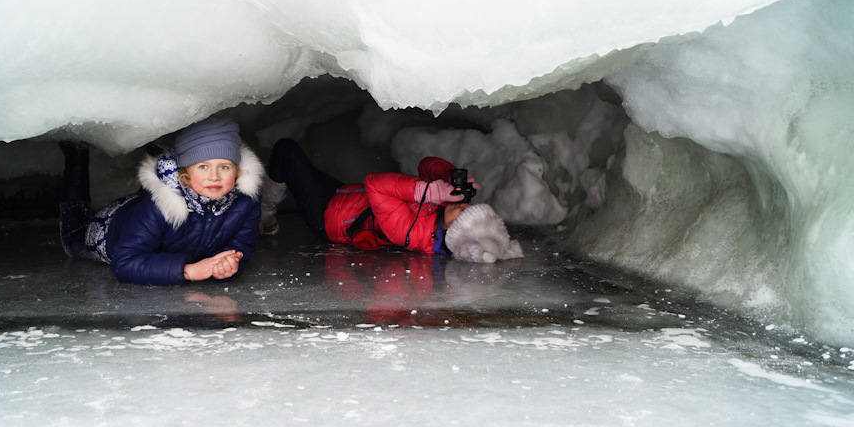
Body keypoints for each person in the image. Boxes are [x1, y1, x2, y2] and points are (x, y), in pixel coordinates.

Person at [59, 116, 263, 285]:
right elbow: (126, 263)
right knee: (73, 237)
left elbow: (240, 246)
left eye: (224, 167)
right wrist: (187, 271)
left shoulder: (245, 202)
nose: (215, 176)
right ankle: (76, 153)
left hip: (156, 212)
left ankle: (157, 151)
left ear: (237, 171)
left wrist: (227, 265)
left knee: (155, 209)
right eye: (203, 166)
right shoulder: (156, 207)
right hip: (110, 228)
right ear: (185, 172)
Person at [261, 138, 523, 263]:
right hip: (346, 198)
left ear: (455, 234)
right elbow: (425, 165)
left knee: (287, 151)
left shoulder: (409, 232)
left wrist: (431, 193)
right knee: (293, 167)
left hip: (329, 217)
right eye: (468, 206)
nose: (461, 206)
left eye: (462, 215)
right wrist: (448, 178)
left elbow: (375, 183)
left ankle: (266, 209)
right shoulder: (441, 217)